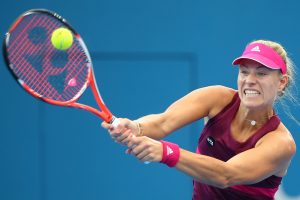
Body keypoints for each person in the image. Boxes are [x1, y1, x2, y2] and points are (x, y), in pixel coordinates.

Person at [102, 39, 297, 200]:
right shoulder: (217, 99)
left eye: (261, 73)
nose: (249, 80)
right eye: (244, 71)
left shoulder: (281, 143)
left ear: (281, 82)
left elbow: (226, 175)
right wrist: (135, 127)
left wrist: (166, 152)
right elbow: (163, 122)